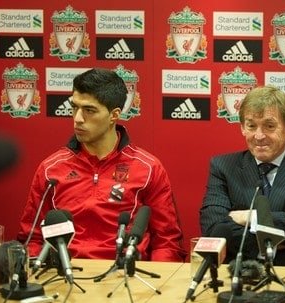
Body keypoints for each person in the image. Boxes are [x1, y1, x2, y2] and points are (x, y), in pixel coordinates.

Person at [17, 68, 186, 262]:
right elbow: (32, 239)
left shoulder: (148, 168)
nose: (78, 118)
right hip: (63, 278)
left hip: (125, 279)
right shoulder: (51, 168)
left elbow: (167, 242)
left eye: (89, 110)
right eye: (74, 107)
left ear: (114, 115)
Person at [200, 85, 285, 267]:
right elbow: (214, 227)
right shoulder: (223, 167)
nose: (259, 135)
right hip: (239, 272)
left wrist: (250, 217)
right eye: (251, 126)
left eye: (269, 126)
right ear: (242, 128)